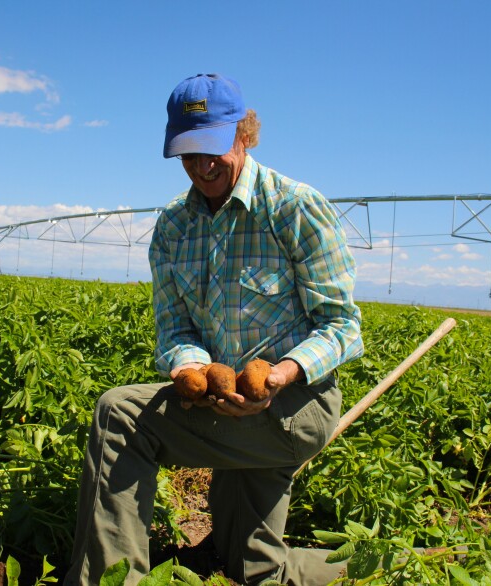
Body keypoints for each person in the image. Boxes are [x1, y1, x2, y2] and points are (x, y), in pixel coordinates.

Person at [64, 73, 364, 586]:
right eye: (187, 154)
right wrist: (190, 369)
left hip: (295, 408)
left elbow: (341, 326)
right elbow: (174, 327)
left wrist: (280, 377)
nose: (202, 167)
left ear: (243, 134)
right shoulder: (174, 227)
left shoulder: (294, 208)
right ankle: (396, 562)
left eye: (212, 149)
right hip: (222, 410)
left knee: (120, 413)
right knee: (251, 568)